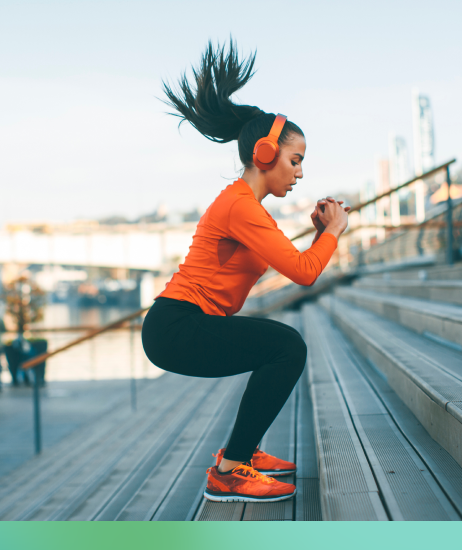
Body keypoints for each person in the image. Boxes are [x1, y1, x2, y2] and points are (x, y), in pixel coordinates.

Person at [141, 40, 349, 504]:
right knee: (285, 347)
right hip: (176, 326)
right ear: (264, 153)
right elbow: (303, 273)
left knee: (277, 347)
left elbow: (298, 262)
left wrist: (320, 237)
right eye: (295, 161)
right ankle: (230, 471)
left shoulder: (248, 208)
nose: (298, 174)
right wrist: (334, 231)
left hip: (184, 323)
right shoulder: (241, 207)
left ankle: (241, 455)